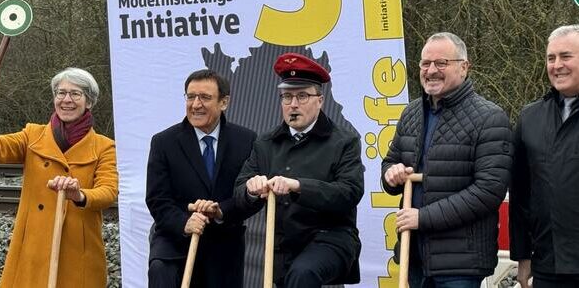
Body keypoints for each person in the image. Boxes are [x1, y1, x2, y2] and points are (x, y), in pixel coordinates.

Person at [381, 32, 513, 287]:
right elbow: (390, 164)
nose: (431, 70)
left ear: (464, 68)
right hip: (415, 257)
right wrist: (391, 173)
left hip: (460, 264)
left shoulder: (490, 118)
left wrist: (422, 218)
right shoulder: (411, 113)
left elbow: (488, 191)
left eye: (441, 63)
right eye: (425, 63)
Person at [0, 67, 118, 287]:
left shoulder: (104, 147)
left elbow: (108, 191)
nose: (66, 99)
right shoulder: (33, 135)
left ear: (89, 102)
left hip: (78, 254)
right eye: (61, 93)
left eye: (75, 94)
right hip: (32, 250)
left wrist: (79, 195)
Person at [234, 53, 364, 287]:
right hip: (284, 245)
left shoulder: (344, 141)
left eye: (302, 96)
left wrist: (298, 186)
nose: (293, 104)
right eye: (287, 97)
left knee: (303, 273)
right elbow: (239, 193)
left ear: (320, 100)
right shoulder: (265, 143)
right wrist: (251, 190)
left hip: (331, 238)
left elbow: (349, 193)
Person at [146, 69, 256, 287]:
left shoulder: (246, 140)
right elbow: (157, 199)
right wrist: (185, 223)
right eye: (190, 96)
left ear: (224, 102)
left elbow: (251, 196)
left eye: (205, 97)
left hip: (224, 243)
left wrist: (220, 210)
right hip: (174, 241)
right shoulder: (163, 142)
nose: (196, 104)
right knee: (160, 270)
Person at [509, 24, 579, 288]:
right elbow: (521, 194)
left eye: (566, 56)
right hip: (548, 267)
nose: (556, 65)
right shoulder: (530, 117)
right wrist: (523, 256)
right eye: (551, 58)